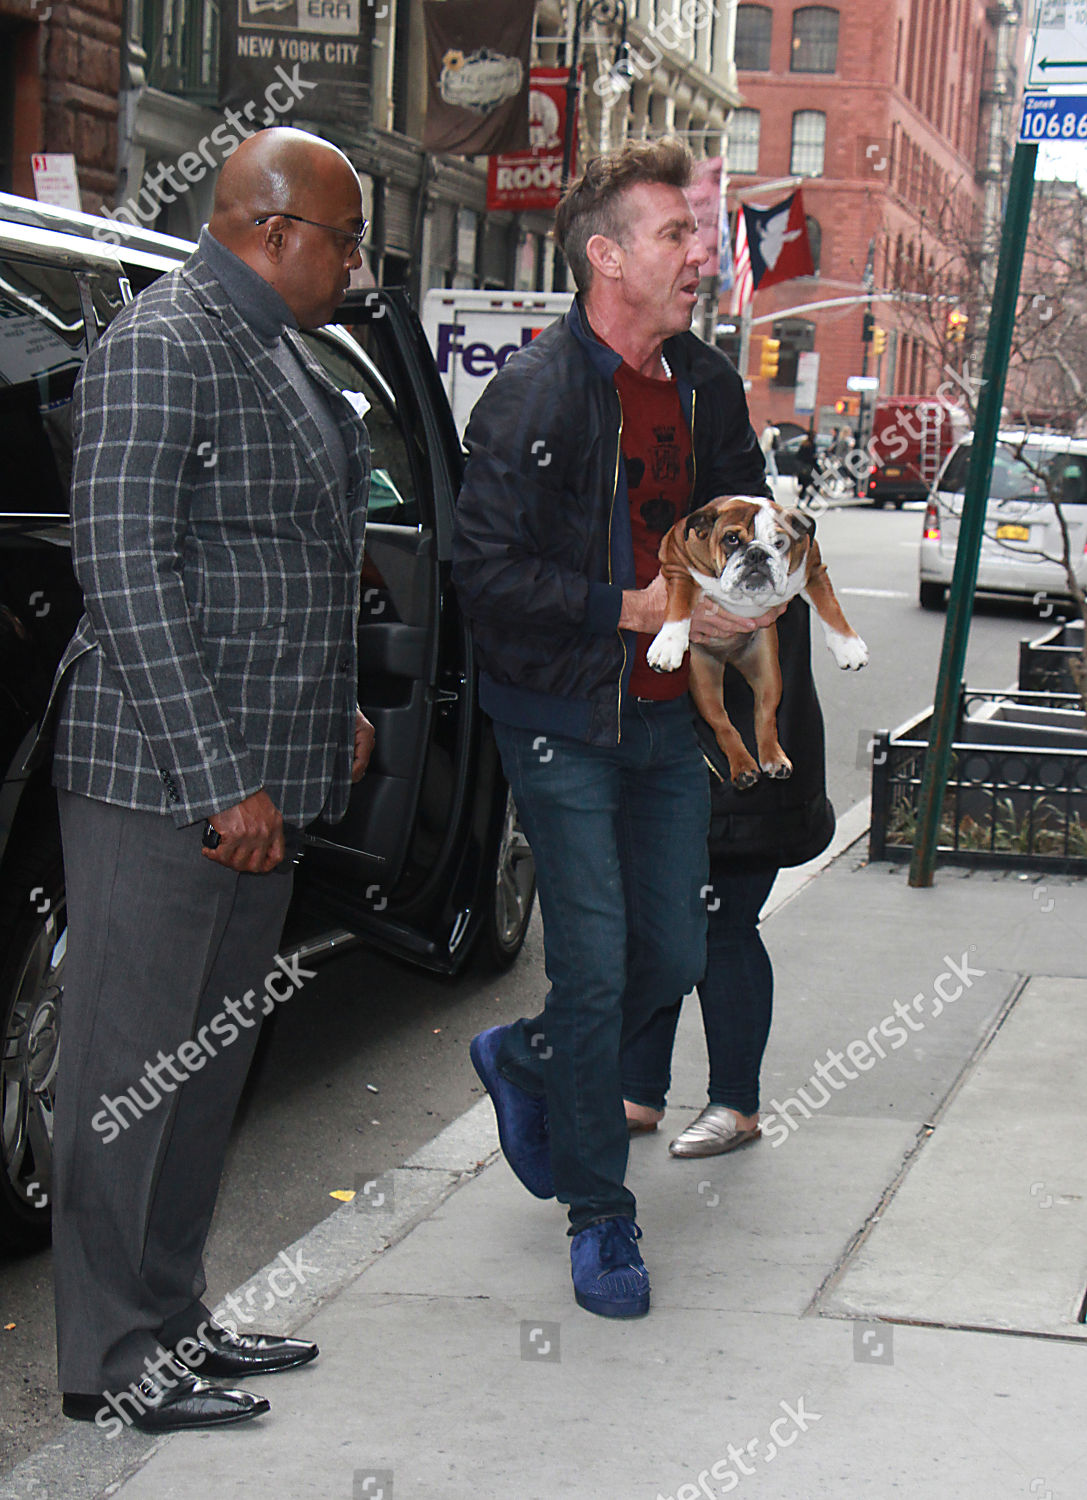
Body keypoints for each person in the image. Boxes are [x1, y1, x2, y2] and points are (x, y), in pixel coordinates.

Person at [43, 127, 374, 1433]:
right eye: (345, 240)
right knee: (130, 1071)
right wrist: (218, 779)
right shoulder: (162, 340)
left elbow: (282, 555)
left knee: (200, 1067)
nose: (355, 266)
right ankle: (112, 1357)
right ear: (272, 229)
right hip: (164, 781)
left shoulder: (272, 345)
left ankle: (172, 1321)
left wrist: (329, 713)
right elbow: (125, 569)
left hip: (258, 776)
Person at [452, 140, 772, 1320]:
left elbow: (745, 517)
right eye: (675, 234)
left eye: (697, 234)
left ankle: (527, 1057)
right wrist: (621, 607)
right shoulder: (535, 393)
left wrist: (747, 587)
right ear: (606, 256)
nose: (699, 255)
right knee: (592, 966)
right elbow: (482, 571)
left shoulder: (704, 385)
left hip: (668, 717)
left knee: (672, 955)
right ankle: (600, 1214)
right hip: (561, 716)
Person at [622, 597, 835, 1153]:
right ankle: (638, 1091)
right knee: (656, 925)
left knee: (724, 927)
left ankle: (736, 1104)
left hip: (740, 769)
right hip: (673, 754)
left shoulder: (751, 554)